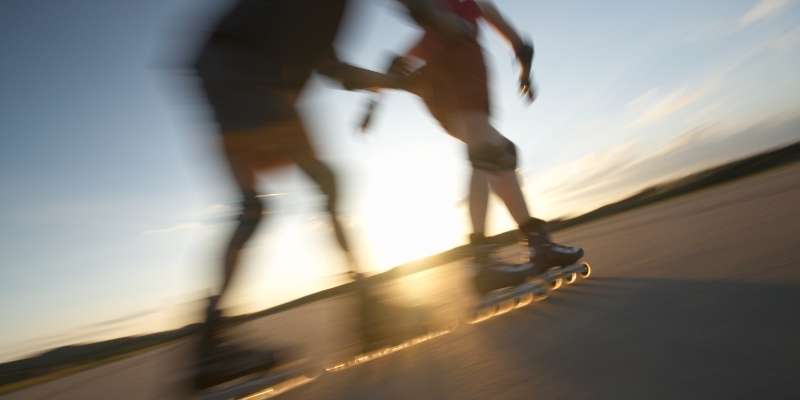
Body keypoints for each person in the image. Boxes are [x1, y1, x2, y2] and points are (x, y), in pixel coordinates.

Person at [185, 0, 474, 389]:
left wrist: (401, 83)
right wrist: (441, 22)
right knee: (288, 196)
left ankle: (211, 346)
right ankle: (366, 312)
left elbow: (336, 70)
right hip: (244, 68)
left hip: (236, 69)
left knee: (280, 199)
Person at [365, 0, 584, 291]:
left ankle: (536, 245)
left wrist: (372, 106)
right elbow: (519, 44)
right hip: (459, 70)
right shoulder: (460, 11)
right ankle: (482, 263)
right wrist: (525, 74)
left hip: (440, 91)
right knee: (485, 152)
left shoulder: (453, 16)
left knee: (500, 152)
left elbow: (394, 65)